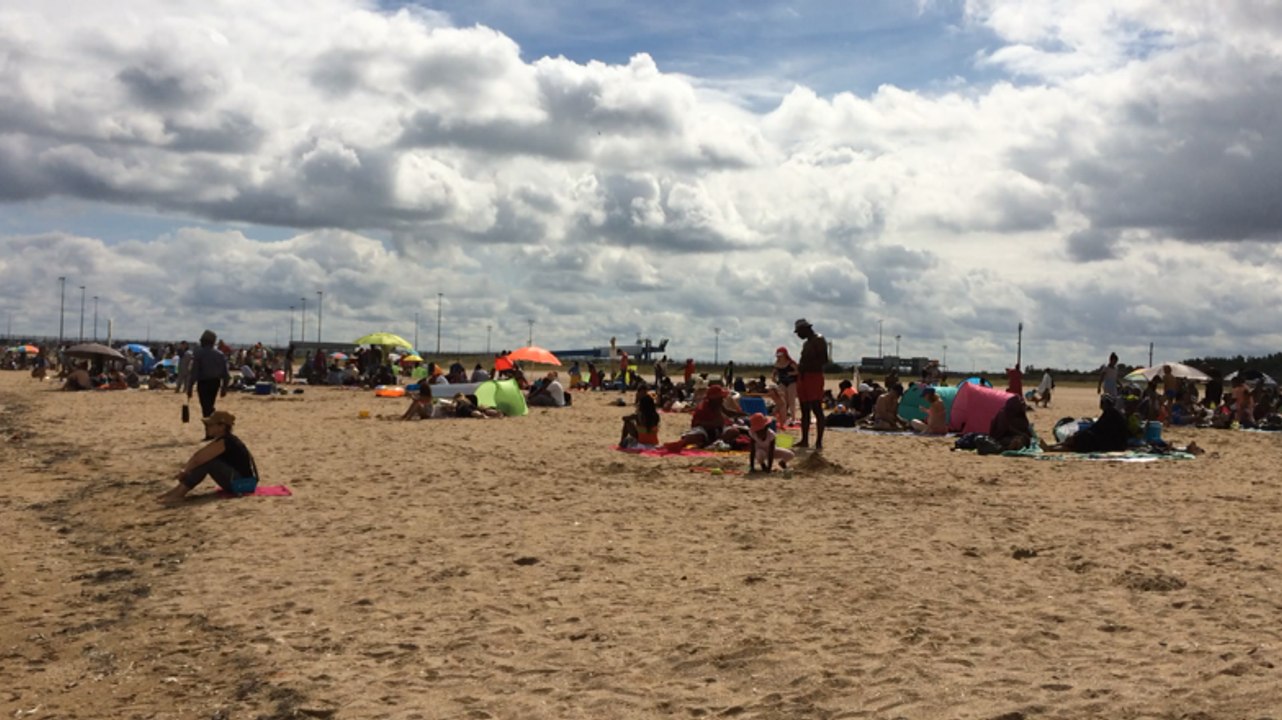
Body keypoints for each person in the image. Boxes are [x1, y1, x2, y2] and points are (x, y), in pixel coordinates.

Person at [157, 411, 258, 504]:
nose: (207, 427)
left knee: (208, 463)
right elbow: (199, 455)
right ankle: (176, 492)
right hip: (242, 482)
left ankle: (179, 493)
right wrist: (186, 470)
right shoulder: (225, 440)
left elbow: (198, 458)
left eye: (210, 425)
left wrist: (185, 471)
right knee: (205, 461)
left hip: (243, 485)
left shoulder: (226, 441)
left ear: (222, 427)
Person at [794, 318, 828, 449]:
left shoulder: (818, 340)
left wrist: (806, 366)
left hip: (814, 377)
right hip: (803, 377)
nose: (798, 335)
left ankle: (819, 442)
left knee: (816, 408)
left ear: (806, 329)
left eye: (799, 332)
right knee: (804, 410)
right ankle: (804, 440)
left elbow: (823, 360)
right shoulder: (807, 343)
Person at [186, 330, 230, 424]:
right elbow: (225, 373)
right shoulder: (220, 354)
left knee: (206, 407)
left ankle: (210, 430)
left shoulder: (199, 353)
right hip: (215, 383)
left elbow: (194, 372)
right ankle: (213, 425)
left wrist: (190, 387)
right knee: (209, 405)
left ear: (205, 341)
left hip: (203, 384)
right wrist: (224, 388)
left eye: (202, 340)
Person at [772, 346, 799, 426]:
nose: (779, 356)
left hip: (792, 382)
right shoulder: (777, 364)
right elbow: (774, 373)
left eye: (781, 355)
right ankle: (784, 417)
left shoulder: (791, 363)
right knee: (782, 400)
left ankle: (793, 418)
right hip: (782, 382)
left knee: (791, 400)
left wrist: (791, 373)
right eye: (778, 355)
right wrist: (774, 378)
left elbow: (798, 371)